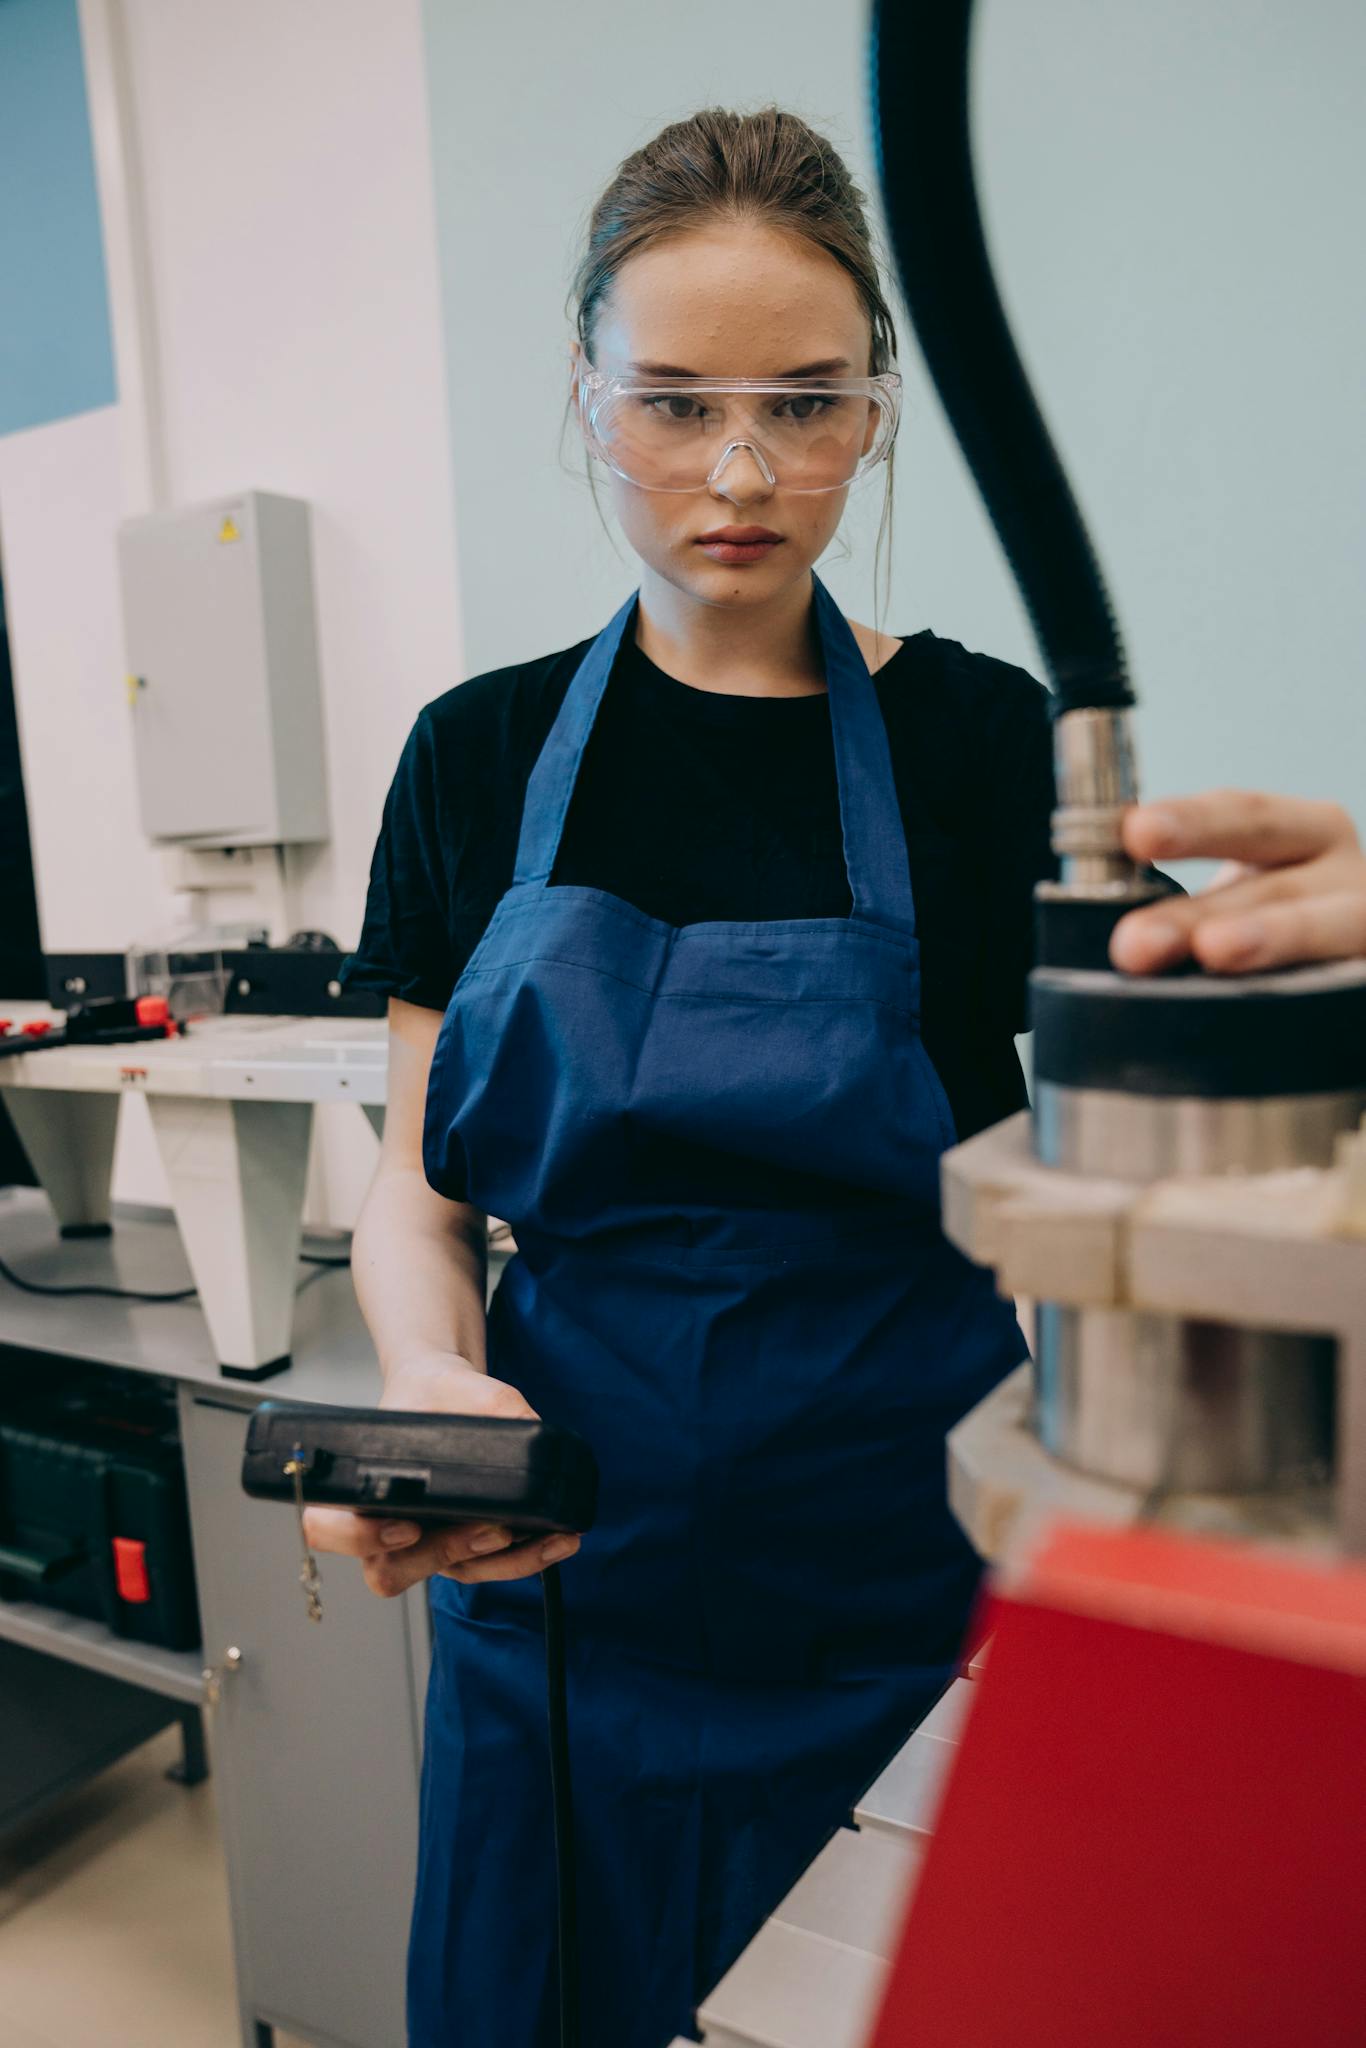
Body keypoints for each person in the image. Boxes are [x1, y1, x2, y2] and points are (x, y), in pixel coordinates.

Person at [316, 106, 1366, 2048]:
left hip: (896, 1561)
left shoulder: (982, 746)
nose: (737, 472)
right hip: (561, 1577)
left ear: (876, 408)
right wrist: (424, 1374)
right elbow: (419, 1189)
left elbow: (1168, 1161)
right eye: (674, 404)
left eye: (802, 407)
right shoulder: (472, 757)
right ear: (585, 395)